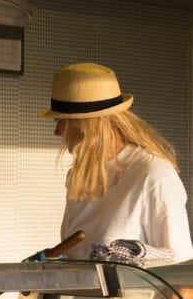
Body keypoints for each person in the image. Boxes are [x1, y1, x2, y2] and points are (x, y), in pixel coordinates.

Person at [40, 62, 193, 262]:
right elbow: (78, 257)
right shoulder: (78, 177)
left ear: (87, 125)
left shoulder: (153, 176)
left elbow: (181, 278)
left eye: (60, 121)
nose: (57, 132)